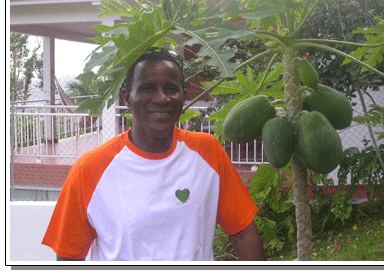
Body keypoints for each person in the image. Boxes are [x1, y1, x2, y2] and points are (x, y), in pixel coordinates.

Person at [42, 47, 267, 261]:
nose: (161, 98)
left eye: (171, 89)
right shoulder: (89, 169)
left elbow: (244, 233)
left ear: (183, 96)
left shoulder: (208, 152)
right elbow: (69, 256)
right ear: (126, 97)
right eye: (148, 88)